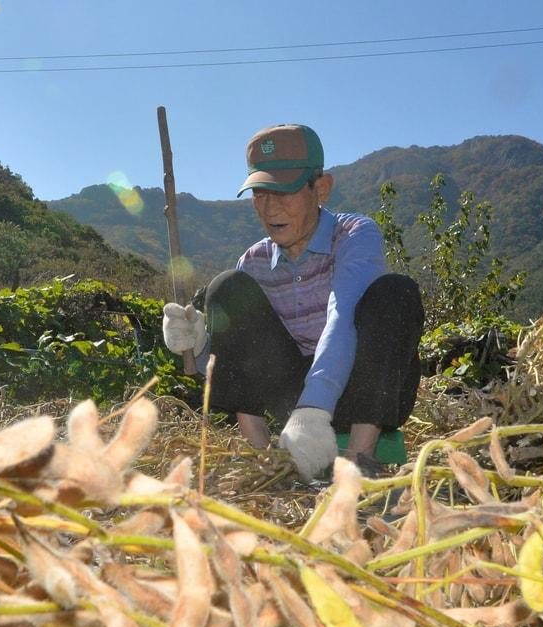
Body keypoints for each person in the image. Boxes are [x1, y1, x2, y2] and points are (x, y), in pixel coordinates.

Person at [162, 123, 425, 480]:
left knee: (396, 293)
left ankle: (360, 459)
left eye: (283, 192)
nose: (270, 209)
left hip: (359, 391)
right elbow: (240, 358)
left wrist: (314, 410)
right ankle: (263, 458)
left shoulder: (353, 235)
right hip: (293, 401)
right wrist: (197, 342)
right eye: (260, 194)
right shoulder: (253, 262)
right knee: (226, 288)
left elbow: (342, 313)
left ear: (320, 188)